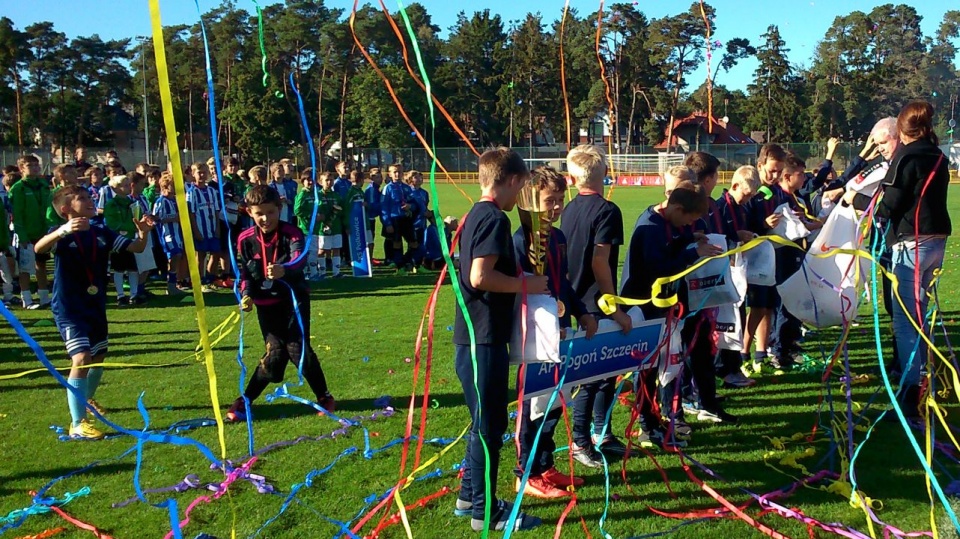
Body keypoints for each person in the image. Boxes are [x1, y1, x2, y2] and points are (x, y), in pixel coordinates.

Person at [452, 147, 544, 532]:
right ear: (510, 180)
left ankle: (469, 497)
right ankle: (485, 512)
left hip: (474, 335)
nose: (520, 195)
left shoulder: (476, 213)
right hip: (483, 337)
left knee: (482, 421)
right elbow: (479, 276)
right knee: (490, 428)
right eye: (521, 187)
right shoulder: (493, 219)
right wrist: (527, 283)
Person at [844, 100, 951, 418]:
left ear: (902, 131)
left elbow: (887, 206)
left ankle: (909, 396)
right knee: (921, 316)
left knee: (905, 323)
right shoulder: (937, 154)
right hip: (936, 243)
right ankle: (924, 383)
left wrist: (855, 198)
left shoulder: (908, 155)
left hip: (912, 245)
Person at [35, 184, 153, 439]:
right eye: (81, 198)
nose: (89, 200)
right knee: (81, 358)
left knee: (99, 357)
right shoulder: (61, 234)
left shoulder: (101, 231)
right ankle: (78, 423)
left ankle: (86, 400)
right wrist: (61, 232)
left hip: (95, 304)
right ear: (66, 209)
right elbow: (39, 248)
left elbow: (136, 248)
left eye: (89, 196)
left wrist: (142, 234)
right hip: (69, 307)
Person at [512, 166, 596, 499]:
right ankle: (526, 473)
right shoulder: (521, 240)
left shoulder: (558, 237)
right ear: (531, 199)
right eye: (550, 201)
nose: (557, 207)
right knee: (532, 405)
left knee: (556, 401)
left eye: (561, 200)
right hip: (534, 336)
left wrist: (582, 312)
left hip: (562, 332)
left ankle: (545, 464)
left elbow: (564, 285)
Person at [226, 185, 334, 422]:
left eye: (270, 212)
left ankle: (325, 397)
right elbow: (244, 272)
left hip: (293, 301)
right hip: (266, 305)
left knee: (297, 350)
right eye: (259, 214)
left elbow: (300, 258)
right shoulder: (244, 239)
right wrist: (246, 294)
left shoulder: (292, 233)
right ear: (249, 213)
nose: (265, 218)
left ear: (280, 209)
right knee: (275, 358)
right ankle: (244, 401)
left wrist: (284, 269)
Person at [559, 144, 629, 467]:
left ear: (573, 178)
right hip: (593, 303)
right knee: (591, 374)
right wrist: (613, 307)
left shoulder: (569, 208)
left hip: (572, 298)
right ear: (604, 173)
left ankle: (602, 431)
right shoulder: (608, 211)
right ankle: (581, 440)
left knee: (607, 371)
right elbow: (601, 263)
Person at [743, 144, 788, 373]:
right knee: (755, 307)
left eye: (779, 171)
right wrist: (763, 225)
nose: (775, 176)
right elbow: (742, 227)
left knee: (768, 306)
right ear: (760, 165)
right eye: (771, 171)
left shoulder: (778, 191)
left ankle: (761, 356)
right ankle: (743, 355)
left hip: (771, 258)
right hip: (752, 260)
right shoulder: (751, 192)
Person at [714, 166, 760, 388]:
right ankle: (725, 369)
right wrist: (735, 238)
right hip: (725, 273)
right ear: (734, 186)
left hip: (739, 272)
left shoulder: (741, 208)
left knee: (738, 317)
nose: (748, 199)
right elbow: (717, 239)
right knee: (727, 321)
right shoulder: (720, 207)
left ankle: (733, 367)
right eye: (747, 194)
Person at [10, 154, 52, 309]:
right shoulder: (18, 188)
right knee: (25, 267)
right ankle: (26, 299)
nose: (35, 168)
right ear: (22, 168)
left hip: (43, 233)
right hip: (26, 233)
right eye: (30, 165)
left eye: (36, 165)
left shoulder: (43, 185)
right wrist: (22, 235)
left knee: (41, 265)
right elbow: (17, 214)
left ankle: (44, 297)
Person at [103, 173, 142, 306]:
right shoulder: (111, 204)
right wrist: (128, 227)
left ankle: (134, 294)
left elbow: (137, 218)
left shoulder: (132, 203)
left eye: (128, 185)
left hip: (131, 239)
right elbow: (111, 223)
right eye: (123, 186)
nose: (127, 188)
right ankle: (120, 295)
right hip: (117, 240)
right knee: (118, 269)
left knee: (133, 268)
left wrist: (137, 226)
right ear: (114, 189)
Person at [187, 162, 222, 290]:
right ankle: (199, 281)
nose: (202, 175)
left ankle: (210, 277)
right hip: (201, 228)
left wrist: (218, 227)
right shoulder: (191, 192)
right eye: (199, 173)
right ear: (193, 174)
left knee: (216, 253)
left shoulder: (212, 191)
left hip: (212, 228)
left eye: (204, 172)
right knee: (200, 255)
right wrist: (196, 231)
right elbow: (191, 213)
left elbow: (217, 211)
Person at [152, 173, 188, 295]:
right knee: (175, 255)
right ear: (166, 186)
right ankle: (171, 285)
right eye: (174, 185)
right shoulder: (161, 201)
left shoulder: (175, 200)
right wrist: (175, 217)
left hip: (177, 233)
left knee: (178, 256)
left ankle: (173, 283)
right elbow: (156, 218)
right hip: (167, 234)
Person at [130, 172, 157, 302]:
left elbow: (148, 213)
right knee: (139, 264)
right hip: (137, 234)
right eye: (141, 184)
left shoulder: (142, 198)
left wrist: (151, 219)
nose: (143, 187)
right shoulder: (130, 200)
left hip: (147, 232)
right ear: (133, 185)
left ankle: (141, 288)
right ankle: (136, 292)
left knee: (147, 264)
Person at [293, 168, 322, 280]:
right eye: (308, 180)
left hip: (316, 227)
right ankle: (306, 273)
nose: (310, 182)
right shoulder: (302, 194)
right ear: (303, 181)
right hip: (305, 229)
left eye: (313, 180)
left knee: (313, 251)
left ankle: (313, 273)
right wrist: (311, 215)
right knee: (306, 252)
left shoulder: (315, 193)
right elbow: (297, 210)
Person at [317, 172, 344, 278]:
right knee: (322, 249)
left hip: (336, 227)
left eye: (331, 180)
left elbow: (342, 210)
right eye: (326, 180)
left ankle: (336, 272)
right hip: (323, 227)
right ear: (321, 182)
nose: (329, 182)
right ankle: (322, 272)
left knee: (336, 248)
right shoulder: (318, 195)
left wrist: (337, 212)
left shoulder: (336, 195)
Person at [364, 168, 383, 262]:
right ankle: (368, 259)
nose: (380, 179)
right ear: (371, 177)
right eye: (377, 176)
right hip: (369, 218)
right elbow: (371, 205)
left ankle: (370, 258)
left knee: (371, 238)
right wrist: (382, 207)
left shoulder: (375, 188)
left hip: (371, 218)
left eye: (380, 176)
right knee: (369, 239)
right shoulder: (371, 189)